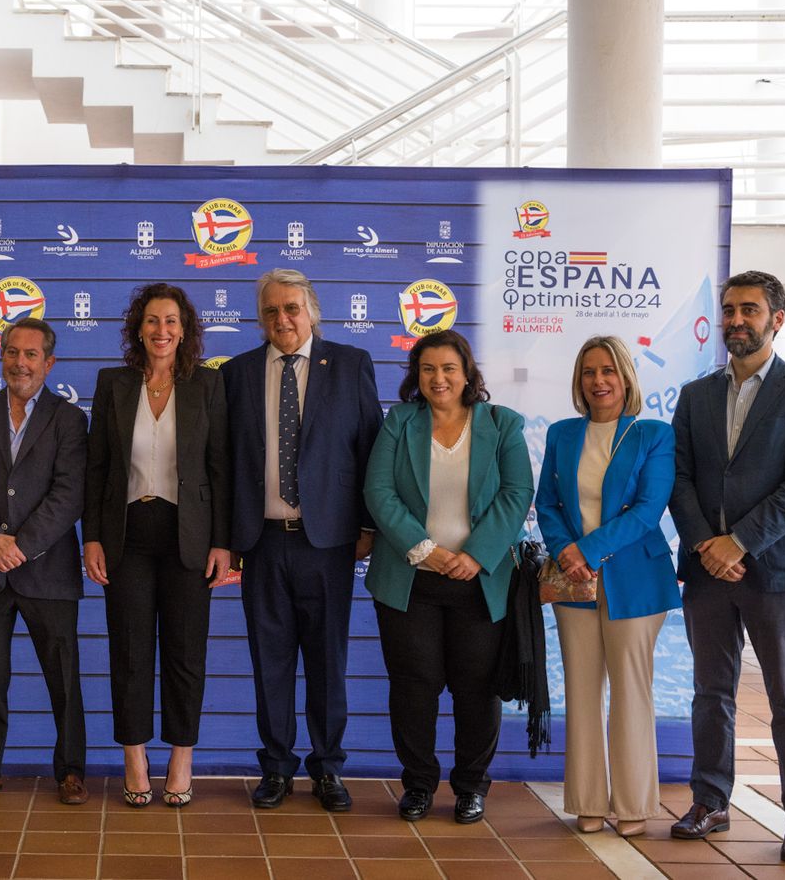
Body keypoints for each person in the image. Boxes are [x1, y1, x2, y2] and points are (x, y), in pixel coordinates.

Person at [668, 270, 785, 864]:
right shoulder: (695, 395)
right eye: (729, 310)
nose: (736, 320)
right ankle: (710, 802)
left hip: (778, 574)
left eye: (749, 310)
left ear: (777, 319)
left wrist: (737, 542)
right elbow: (680, 478)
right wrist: (705, 544)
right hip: (707, 573)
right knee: (710, 694)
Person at [223, 269, 381, 813]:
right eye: (271, 311)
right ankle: (276, 768)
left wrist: (366, 527)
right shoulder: (238, 373)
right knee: (269, 662)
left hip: (328, 543)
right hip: (261, 542)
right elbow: (226, 463)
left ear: (311, 311)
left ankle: (329, 769)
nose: (281, 320)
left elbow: (370, 451)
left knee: (326, 661)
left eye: (291, 308)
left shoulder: (351, 364)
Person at [363, 329, 533, 825]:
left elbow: (517, 493)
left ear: (467, 374)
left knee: (477, 689)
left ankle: (471, 787)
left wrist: (477, 555)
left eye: (449, 369)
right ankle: (417, 785)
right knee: (413, 687)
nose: (439, 378)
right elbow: (378, 491)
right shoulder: (400, 422)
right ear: (417, 375)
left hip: (479, 580)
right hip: (410, 579)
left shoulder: (501, 425)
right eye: (428, 369)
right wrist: (424, 550)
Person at [82, 283, 230, 807]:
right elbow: (97, 466)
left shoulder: (208, 385)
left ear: (184, 329)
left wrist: (224, 544)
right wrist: (92, 536)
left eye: (170, 321)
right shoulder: (113, 383)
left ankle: (181, 757)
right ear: (137, 329)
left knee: (186, 653)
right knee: (129, 650)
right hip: (126, 535)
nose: (161, 330)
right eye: (151, 321)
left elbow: (222, 469)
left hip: (188, 537)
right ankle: (135, 755)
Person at [535, 336, 679, 837]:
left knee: (631, 693)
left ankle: (634, 804)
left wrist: (588, 550)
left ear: (626, 378)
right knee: (580, 690)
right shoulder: (562, 433)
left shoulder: (653, 435)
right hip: (573, 583)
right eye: (589, 372)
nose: (599, 381)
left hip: (636, 579)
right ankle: (589, 801)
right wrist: (565, 553)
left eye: (608, 371)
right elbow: (548, 503)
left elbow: (647, 509)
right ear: (579, 381)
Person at [0, 318, 89, 805]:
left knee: (64, 679)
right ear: (0, 357)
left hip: (47, 570)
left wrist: (21, 545)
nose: (19, 363)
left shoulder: (69, 420)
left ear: (48, 363)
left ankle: (70, 771)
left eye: (30, 355)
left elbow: (69, 495)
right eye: (12, 353)